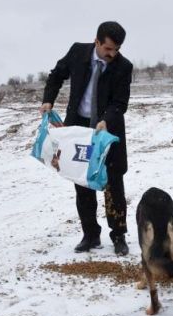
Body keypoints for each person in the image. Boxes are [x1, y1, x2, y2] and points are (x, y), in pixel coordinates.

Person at [41, 21, 132, 256]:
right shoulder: (77, 52)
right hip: (78, 129)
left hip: (107, 130)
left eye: (116, 49)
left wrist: (106, 120)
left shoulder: (123, 67)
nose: (112, 54)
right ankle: (90, 235)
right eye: (108, 49)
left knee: (113, 183)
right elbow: (56, 75)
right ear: (97, 41)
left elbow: (120, 103)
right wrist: (48, 99)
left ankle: (119, 235)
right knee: (82, 182)